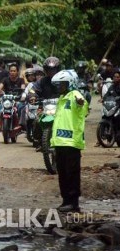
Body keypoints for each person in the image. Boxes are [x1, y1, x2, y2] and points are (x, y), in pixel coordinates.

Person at [50, 70, 88, 212]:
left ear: (70, 83)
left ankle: (73, 202)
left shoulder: (75, 95)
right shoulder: (62, 98)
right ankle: (66, 200)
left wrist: (81, 103)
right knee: (63, 173)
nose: (60, 87)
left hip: (71, 142)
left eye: (62, 84)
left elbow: (82, 106)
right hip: (60, 142)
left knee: (71, 173)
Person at [32, 56, 61, 150]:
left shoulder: (63, 80)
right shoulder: (42, 81)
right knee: (37, 120)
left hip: (61, 107)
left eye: (53, 70)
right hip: (45, 107)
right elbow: (33, 90)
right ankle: (39, 141)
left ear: (58, 69)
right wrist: (32, 96)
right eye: (48, 69)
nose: (51, 72)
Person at [0, 63, 25, 134]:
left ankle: (20, 126)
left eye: (14, 71)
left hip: (17, 101)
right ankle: (1, 126)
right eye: (11, 71)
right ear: (9, 72)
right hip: (6, 102)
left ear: (17, 72)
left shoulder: (21, 80)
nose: (12, 72)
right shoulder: (5, 80)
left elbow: (23, 89)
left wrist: (22, 95)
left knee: (21, 108)